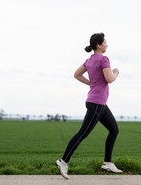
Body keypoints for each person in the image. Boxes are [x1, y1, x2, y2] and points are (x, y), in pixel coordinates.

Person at [55, 33, 122, 179]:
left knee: (114, 130)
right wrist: (116, 72)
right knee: (82, 134)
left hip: (98, 102)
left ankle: (107, 163)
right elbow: (110, 79)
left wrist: (91, 83)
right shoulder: (104, 59)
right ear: (98, 45)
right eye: (105, 42)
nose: (107, 45)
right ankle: (63, 161)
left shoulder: (89, 60)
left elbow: (76, 74)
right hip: (97, 103)